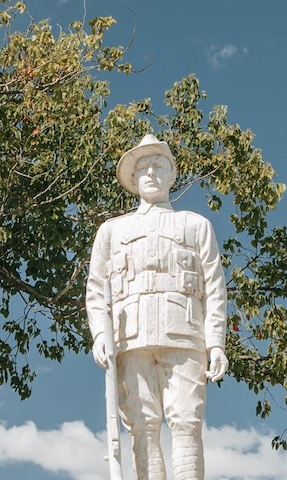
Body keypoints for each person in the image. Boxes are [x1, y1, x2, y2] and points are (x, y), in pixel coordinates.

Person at [86, 134, 229, 480]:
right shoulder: (111, 231)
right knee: (141, 424)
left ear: (171, 175)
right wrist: (101, 334)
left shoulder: (196, 226)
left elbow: (214, 287)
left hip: (184, 334)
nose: (150, 173)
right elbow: (95, 288)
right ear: (133, 181)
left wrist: (216, 343)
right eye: (143, 168)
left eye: (158, 166)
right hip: (130, 338)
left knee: (186, 422)